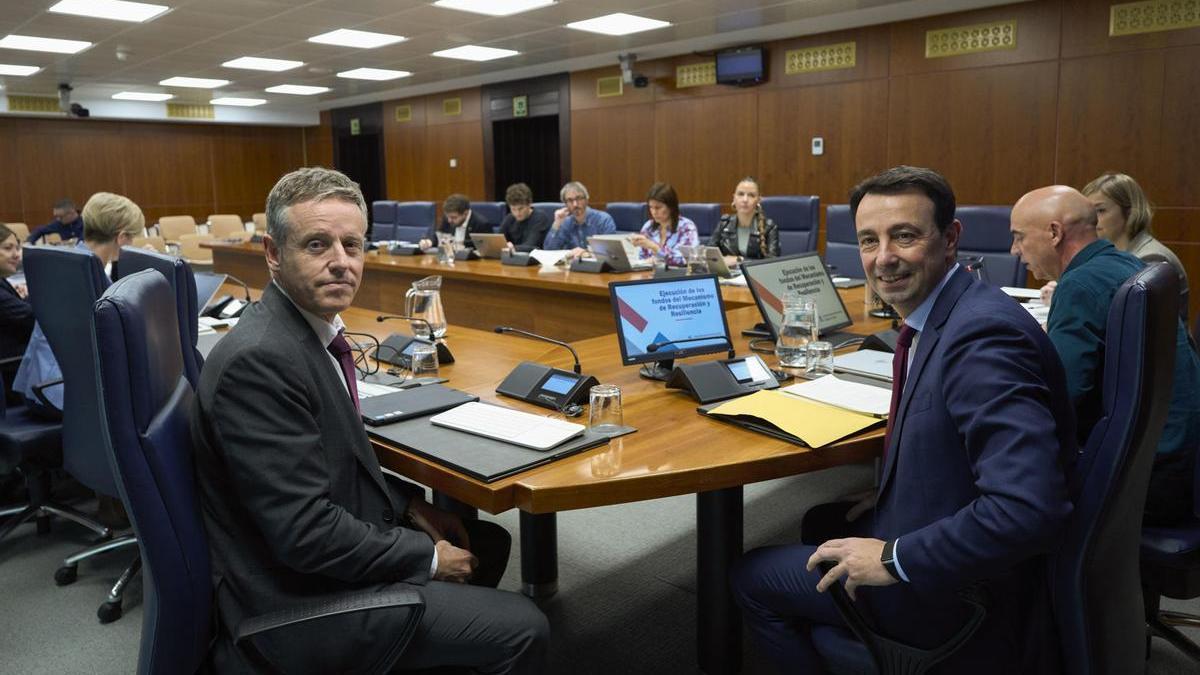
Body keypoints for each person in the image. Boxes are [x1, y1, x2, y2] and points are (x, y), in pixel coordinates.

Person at [191, 167, 548, 674]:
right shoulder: (260, 361)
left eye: (352, 246)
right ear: (273, 253)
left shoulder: (308, 333)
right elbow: (305, 534)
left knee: (483, 542)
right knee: (525, 626)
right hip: (286, 603)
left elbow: (339, 464)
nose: (341, 263)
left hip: (304, 556)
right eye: (317, 245)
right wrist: (424, 558)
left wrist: (411, 510)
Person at [731, 166, 1075, 673]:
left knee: (749, 576)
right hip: (959, 552)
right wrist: (903, 484)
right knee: (822, 522)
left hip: (958, 593)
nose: (884, 258)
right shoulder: (949, 313)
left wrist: (894, 558)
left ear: (951, 238)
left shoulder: (982, 340)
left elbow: (1029, 508)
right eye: (869, 240)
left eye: (905, 236)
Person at [1011, 185, 1200, 524]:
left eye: (1019, 237)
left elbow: (1061, 400)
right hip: (1176, 455)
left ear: (1054, 233)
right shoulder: (1124, 262)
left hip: (1148, 480)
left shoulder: (1079, 285)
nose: (1014, 250)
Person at [13, 192, 144, 418]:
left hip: (37, 384)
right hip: (60, 393)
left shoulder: (72, 262)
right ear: (121, 237)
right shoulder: (89, 278)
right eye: (132, 238)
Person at [708, 177, 780, 262]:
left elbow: (772, 262)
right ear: (734, 198)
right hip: (726, 275)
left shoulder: (769, 227)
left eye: (751, 195)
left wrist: (739, 260)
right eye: (741, 194)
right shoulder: (724, 224)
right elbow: (709, 256)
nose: (745, 200)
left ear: (758, 200)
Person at [0, 223, 34, 399]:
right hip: (11, 373)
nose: (16, 254)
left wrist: (24, 299)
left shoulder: (3, 281)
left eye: (17, 247)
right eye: (8, 248)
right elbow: (32, 318)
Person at [630, 182, 699, 268]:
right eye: (651, 207)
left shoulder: (687, 227)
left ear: (671, 207)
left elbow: (686, 260)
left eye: (658, 207)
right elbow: (642, 258)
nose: (654, 212)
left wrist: (655, 247)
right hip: (649, 275)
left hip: (677, 278)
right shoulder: (648, 227)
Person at [541, 180, 616, 258]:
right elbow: (548, 251)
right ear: (565, 204)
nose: (575, 204)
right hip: (571, 268)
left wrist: (587, 253)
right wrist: (556, 223)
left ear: (587, 199)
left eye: (579, 198)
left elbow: (611, 252)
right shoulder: (565, 222)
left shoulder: (603, 220)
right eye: (570, 200)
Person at [417, 193, 494, 250]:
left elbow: (485, 250)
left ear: (465, 213)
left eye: (454, 217)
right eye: (448, 216)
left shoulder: (482, 224)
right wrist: (429, 241)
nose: (449, 220)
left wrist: (460, 244)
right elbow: (438, 235)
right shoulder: (448, 218)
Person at [498, 183, 551, 253]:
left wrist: (512, 247)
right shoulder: (509, 218)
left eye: (521, 208)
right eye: (513, 209)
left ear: (529, 204)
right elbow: (498, 240)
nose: (517, 213)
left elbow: (531, 245)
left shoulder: (540, 218)